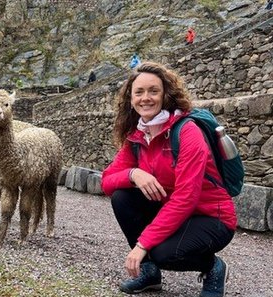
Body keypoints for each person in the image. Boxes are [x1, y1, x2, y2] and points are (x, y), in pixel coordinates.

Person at [101, 61, 236, 297]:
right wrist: (134, 174)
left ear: (166, 95)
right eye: (139, 92)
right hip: (174, 212)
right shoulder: (137, 136)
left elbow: (186, 198)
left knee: (163, 253)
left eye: (154, 91)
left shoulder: (187, 132)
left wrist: (142, 245)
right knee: (122, 197)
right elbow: (107, 181)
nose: (146, 98)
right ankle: (150, 274)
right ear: (130, 99)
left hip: (210, 216)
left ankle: (213, 267)